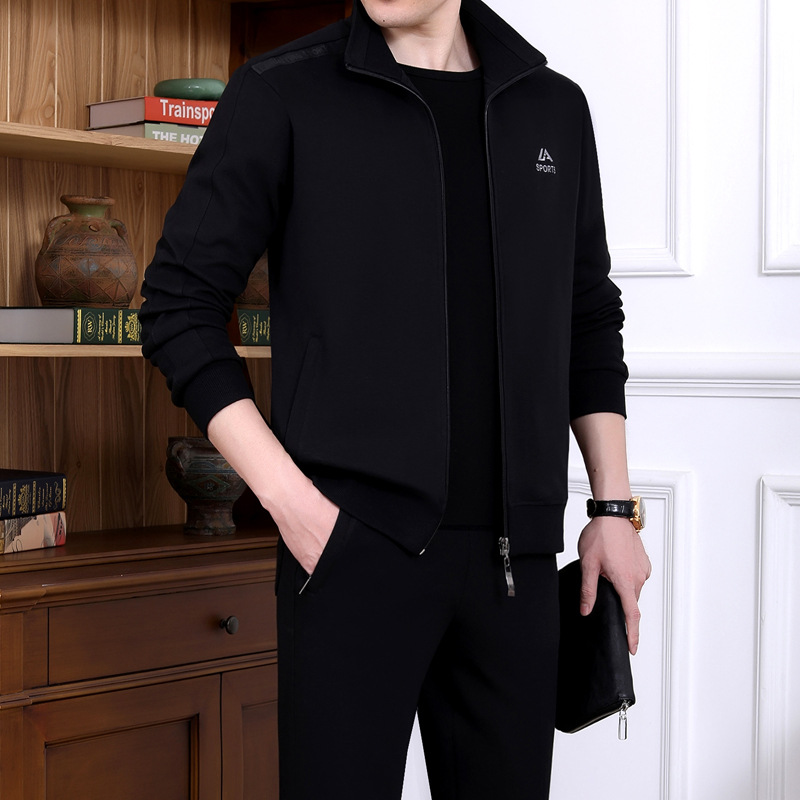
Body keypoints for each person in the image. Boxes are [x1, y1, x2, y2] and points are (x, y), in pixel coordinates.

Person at [139, 0, 651, 796]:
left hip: (514, 570)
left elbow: (587, 314)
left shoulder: (552, 106)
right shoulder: (282, 91)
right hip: (349, 557)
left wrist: (612, 511)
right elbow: (179, 307)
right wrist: (296, 510)